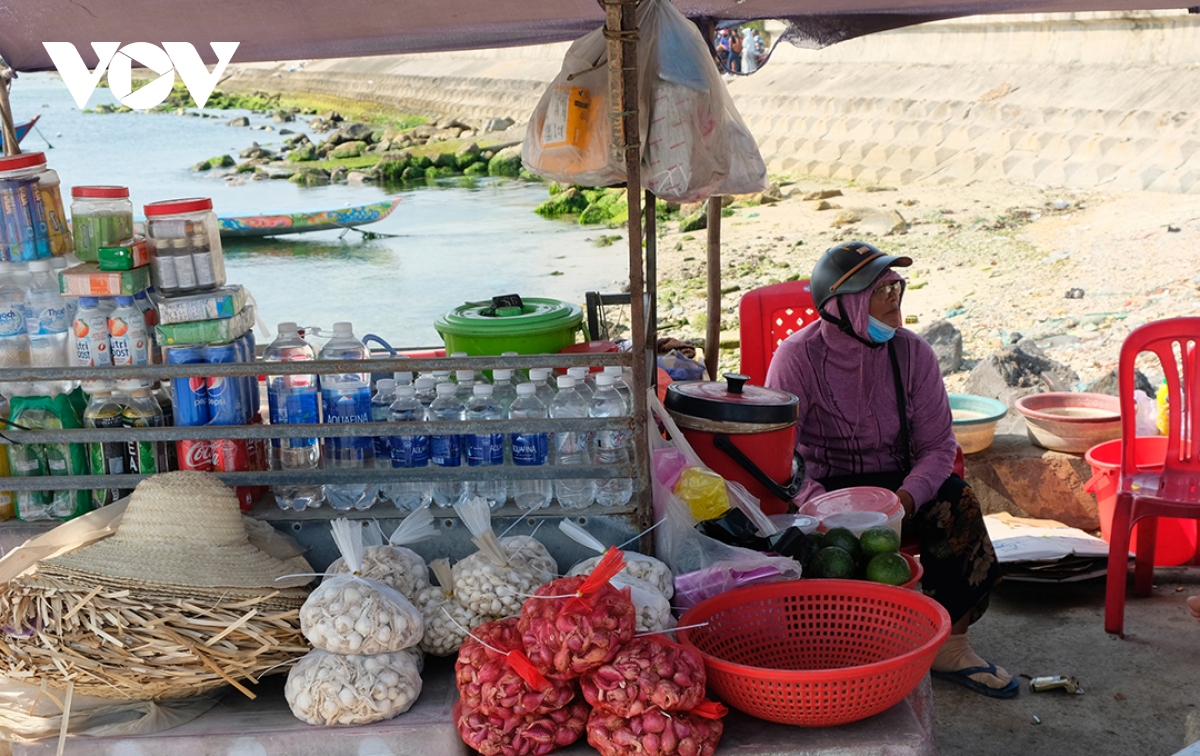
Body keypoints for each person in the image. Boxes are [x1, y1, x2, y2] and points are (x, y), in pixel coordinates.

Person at [765, 240, 1018, 699]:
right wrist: (818, 505)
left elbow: (939, 446)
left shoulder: (913, 353)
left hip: (898, 485)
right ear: (842, 304)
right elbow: (784, 458)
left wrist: (903, 500)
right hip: (823, 490)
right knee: (793, 542)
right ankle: (829, 651)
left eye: (897, 286)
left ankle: (952, 645)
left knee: (957, 503)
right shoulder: (794, 358)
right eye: (881, 288)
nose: (895, 296)